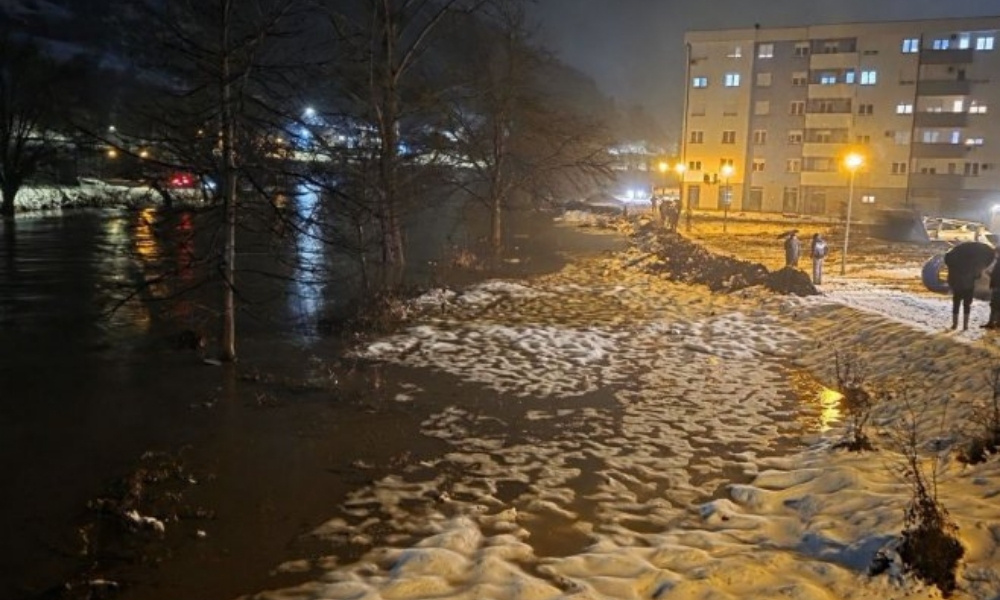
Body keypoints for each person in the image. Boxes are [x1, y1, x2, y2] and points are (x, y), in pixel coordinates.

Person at [984, 247, 1000, 329]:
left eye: (996, 253)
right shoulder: (997, 262)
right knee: (996, 305)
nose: (995, 255)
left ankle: (991, 323)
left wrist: (988, 273)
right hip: (997, 286)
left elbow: (996, 276)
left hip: (997, 287)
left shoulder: (998, 262)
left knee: (994, 305)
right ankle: (997, 322)